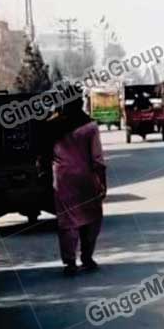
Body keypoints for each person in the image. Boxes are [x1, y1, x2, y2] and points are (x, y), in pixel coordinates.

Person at [48, 94, 107, 276]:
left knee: (67, 222)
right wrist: (102, 182)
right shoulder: (89, 126)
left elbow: (43, 153)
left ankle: (70, 262)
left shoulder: (52, 126)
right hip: (86, 180)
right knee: (92, 217)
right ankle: (87, 257)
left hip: (63, 181)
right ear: (81, 103)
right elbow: (97, 158)